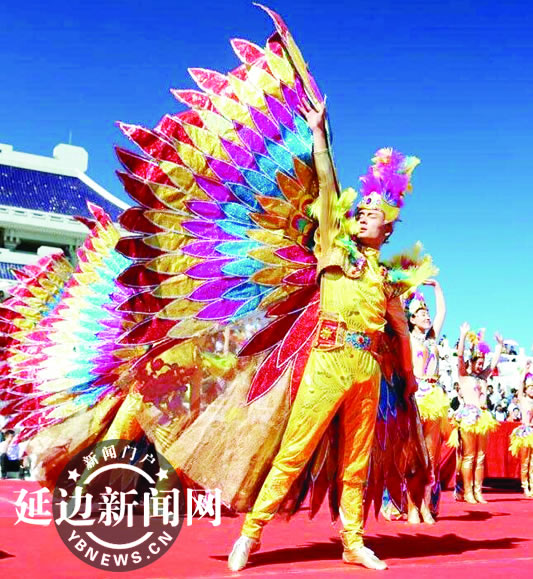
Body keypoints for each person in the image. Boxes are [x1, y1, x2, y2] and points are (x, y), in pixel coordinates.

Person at [401, 283, 448, 523]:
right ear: (411, 318)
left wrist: (437, 288)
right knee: (414, 455)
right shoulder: (407, 338)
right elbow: (397, 310)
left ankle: (426, 505)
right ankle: (411, 506)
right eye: (421, 313)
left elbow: (442, 312)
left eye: (427, 312)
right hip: (416, 397)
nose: (427, 316)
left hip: (435, 398)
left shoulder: (431, 339)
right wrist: (409, 286)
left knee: (431, 456)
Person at [454, 324, 503, 503]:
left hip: (482, 417)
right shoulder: (463, 375)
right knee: (469, 455)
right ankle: (467, 492)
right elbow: (460, 356)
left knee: (481, 457)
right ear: (472, 361)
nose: (481, 364)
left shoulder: (483, 377)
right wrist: (463, 335)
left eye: (483, 362)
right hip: (468, 417)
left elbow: (494, 363)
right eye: (478, 362)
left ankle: (478, 491)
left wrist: (500, 346)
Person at [509, 362, 533, 496]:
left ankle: (532, 486)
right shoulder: (523, 400)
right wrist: (524, 372)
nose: (532, 390)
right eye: (530, 388)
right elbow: (520, 386)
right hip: (526, 433)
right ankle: (525, 486)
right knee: (525, 461)